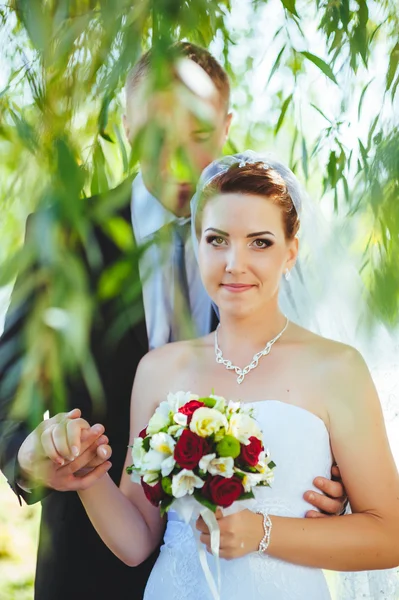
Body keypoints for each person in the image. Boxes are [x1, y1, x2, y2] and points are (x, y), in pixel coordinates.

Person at [0, 46, 346, 600]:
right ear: (128, 124)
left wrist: (329, 483)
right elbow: (7, 392)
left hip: (241, 566)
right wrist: (29, 455)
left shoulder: (260, 250)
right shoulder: (61, 237)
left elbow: (300, 386)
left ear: (228, 126)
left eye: (201, 131)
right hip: (90, 563)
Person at [76, 153, 399, 599]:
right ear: (197, 244)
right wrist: (87, 476)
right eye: (217, 240)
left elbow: (389, 537)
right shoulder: (158, 370)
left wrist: (263, 533)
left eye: (260, 242)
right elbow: (137, 542)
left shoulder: (337, 368)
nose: (234, 262)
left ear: (291, 252)